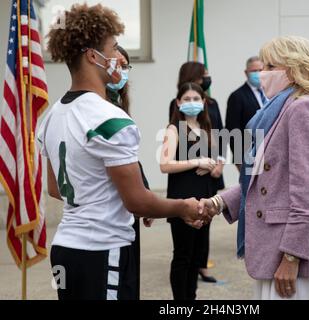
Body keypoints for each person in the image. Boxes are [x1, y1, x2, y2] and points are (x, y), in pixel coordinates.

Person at [38, 3, 207, 300]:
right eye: (114, 48)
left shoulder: (52, 116)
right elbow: (138, 202)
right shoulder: (110, 118)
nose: (118, 57)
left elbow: (55, 188)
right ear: (93, 56)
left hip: (65, 248)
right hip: (104, 250)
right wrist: (183, 207)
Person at [199, 36, 309, 300]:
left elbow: (308, 193)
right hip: (280, 252)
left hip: (300, 260)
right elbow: (268, 178)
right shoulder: (279, 110)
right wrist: (217, 203)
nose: (262, 74)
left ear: (292, 70)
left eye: (269, 67)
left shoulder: (302, 109)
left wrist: (292, 257)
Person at [161, 82, 219, 299]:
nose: (192, 103)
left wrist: (210, 165)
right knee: (183, 255)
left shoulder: (206, 128)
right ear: (178, 103)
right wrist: (197, 162)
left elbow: (212, 160)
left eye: (196, 99)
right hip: (182, 198)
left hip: (205, 198)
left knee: (197, 256)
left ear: (204, 102)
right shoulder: (174, 129)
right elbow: (165, 164)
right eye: (187, 99)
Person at [105, 45, 154, 299]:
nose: (122, 71)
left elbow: (131, 158)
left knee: (129, 277)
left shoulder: (119, 102)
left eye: (126, 66)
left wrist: (143, 192)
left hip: (129, 205)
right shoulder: (97, 107)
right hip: (110, 211)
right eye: (118, 64)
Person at [169, 62, 225, 283]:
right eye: (205, 74)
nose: (208, 77)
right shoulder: (176, 113)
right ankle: (193, 267)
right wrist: (197, 160)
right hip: (187, 178)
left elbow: (220, 133)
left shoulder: (213, 105)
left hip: (209, 174)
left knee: (206, 220)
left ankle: (201, 263)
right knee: (185, 242)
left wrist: (218, 163)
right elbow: (178, 140)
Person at [226, 56, 266, 169]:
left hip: (271, 153)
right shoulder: (237, 96)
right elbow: (233, 129)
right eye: (254, 71)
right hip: (250, 156)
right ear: (246, 72)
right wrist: (239, 160)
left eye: (261, 70)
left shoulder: (272, 93)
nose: (258, 74)